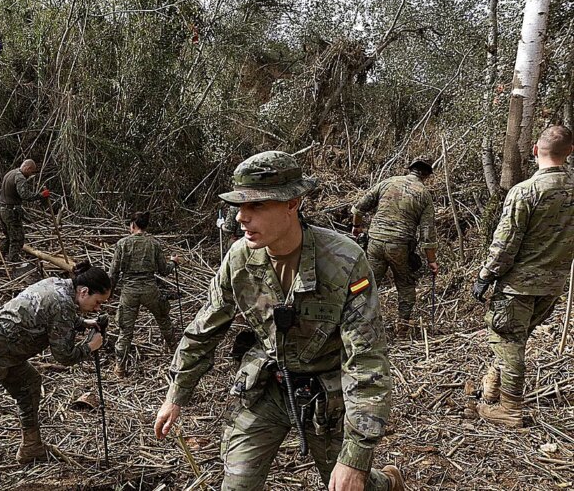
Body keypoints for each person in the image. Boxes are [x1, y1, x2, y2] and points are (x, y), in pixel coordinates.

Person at [154, 151, 403, 491]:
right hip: (269, 386)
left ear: (292, 203)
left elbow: (367, 361)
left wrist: (356, 456)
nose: (241, 217)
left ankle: (387, 482)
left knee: (352, 484)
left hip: (326, 395)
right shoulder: (239, 259)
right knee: (237, 485)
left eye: (256, 206)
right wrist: (176, 394)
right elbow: (205, 329)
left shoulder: (344, 261)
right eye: (239, 206)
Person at [0, 261, 111, 490]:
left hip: (2, 352)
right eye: (97, 302)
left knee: (29, 385)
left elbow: (52, 316)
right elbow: (64, 355)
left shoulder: (59, 286)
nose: (98, 308)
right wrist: (90, 347)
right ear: (84, 291)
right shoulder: (63, 303)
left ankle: (31, 446)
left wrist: (83, 323)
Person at [471, 125, 574, 428]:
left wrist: (485, 276)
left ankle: (509, 408)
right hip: (553, 284)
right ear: (570, 152)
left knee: (510, 339)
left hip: (519, 284)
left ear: (534, 151)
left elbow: (505, 244)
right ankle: (493, 385)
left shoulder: (525, 191)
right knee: (513, 338)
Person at [351, 158, 439, 333]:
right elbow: (427, 232)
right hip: (400, 246)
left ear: (410, 170)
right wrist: (432, 261)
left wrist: (356, 226)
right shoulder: (424, 194)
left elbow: (359, 207)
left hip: (375, 242)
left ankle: (357, 318)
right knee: (405, 284)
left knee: (367, 282)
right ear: (427, 175)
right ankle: (402, 325)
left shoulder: (387, 182)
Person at [109, 211, 181, 377]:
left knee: (125, 331)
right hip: (150, 289)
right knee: (164, 320)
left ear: (133, 225)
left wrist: (109, 292)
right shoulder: (153, 244)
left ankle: (120, 368)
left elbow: (113, 273)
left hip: (129, 291)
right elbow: (164, 270)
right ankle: (177, 356)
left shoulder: (122, 244)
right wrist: (173, 263)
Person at [0, 159, 49, 262]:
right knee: (17, 238)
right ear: (27, 168)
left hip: (1, 208)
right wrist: (40, 196)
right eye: (31, 171)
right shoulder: (20, 178)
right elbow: (25, 195)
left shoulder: (10, 173)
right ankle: (13, 262)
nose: (31, 175)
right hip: (10, 211)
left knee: (8, 236)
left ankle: (0, 258)